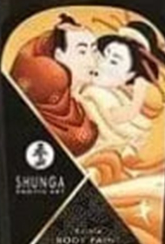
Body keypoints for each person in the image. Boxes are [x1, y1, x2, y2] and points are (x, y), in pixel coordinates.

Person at [10, 13, 99, 155]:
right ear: (59, 55)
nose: (92, 61)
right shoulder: (45, 106)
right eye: (82, 52)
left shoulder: (80, 103)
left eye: (94, 51)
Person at [82, 21, 165, 158]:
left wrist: (138, 98)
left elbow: (117, 117)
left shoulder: (106, 95)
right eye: (104, 55)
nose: (103, 63)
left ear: (130, 75)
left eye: (114, 61)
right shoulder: (93, 90)